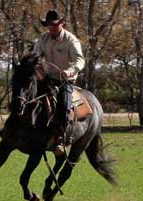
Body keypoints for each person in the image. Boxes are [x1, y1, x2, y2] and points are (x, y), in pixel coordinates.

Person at [33, 9, 85, 155]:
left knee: (63, 103)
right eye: (49, 25)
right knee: (27, 95)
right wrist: (35, 67)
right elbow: (35, 55)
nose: (52, 28)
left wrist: (70, 71)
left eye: (55, 25)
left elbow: (80, 60)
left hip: (65, 80)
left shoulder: (71, 40)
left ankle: (62, 139)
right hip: (47, 77)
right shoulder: (43, 39)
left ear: (62, 24)